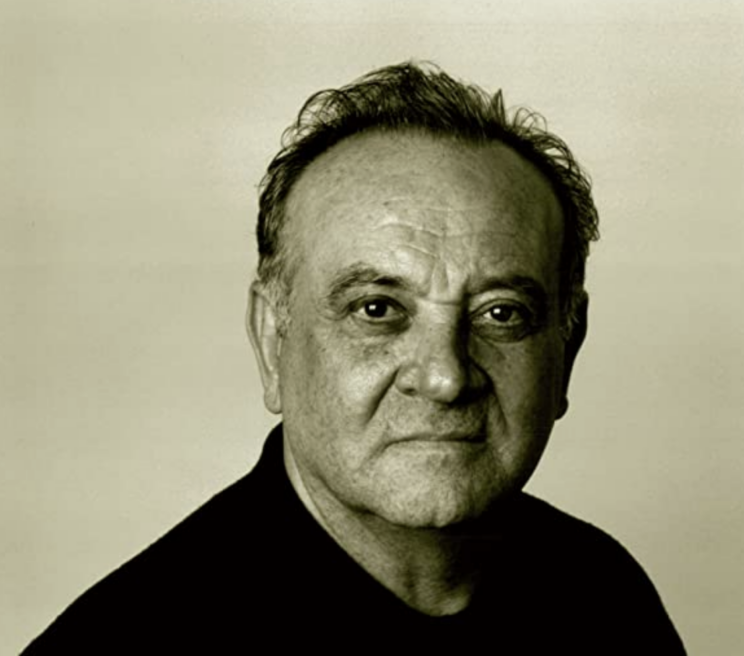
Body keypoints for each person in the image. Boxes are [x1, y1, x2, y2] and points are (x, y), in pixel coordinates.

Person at [24, 62, 686, 653]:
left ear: (567, 349)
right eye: (377, 309)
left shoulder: (605, 596)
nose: (446, 376)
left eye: (501, 314)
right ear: (272, 339)